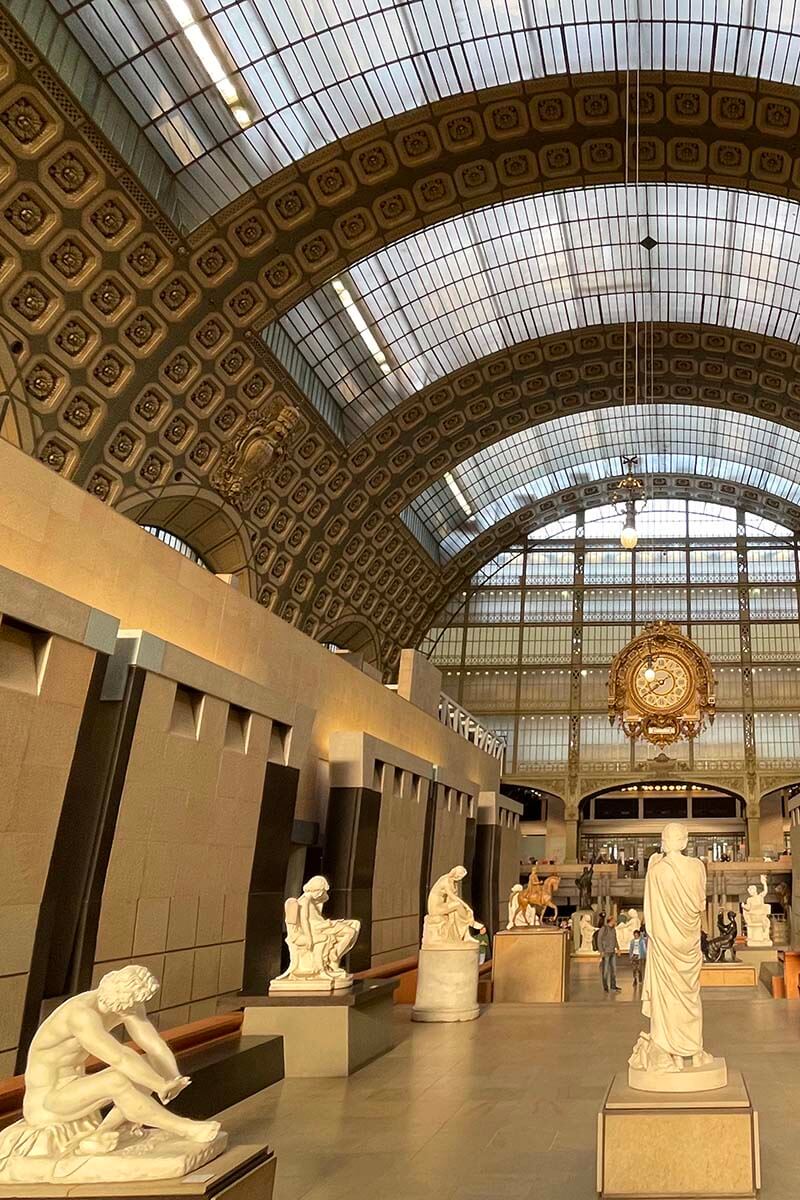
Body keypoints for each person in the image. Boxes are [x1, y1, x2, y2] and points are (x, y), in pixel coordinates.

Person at [1, 965, 219, 1166]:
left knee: (146, 1065)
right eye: (132, 1004)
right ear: (121, 998)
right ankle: (185, 1128)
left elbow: (153, 1044)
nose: (134, 1010)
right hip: (48, 1102)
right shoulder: (81, 1015)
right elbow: (119, 1057)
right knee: (117, 1079)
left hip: (74, 1089)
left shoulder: (125, 1006)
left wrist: (171, 1077)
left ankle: (102, 1133)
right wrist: (159, 1084)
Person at [597, 916, 620, 992]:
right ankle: (605, 987)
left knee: (614, 970)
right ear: (611, 921)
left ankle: (613, 986)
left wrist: (618, 948)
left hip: (612, 951)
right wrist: (601, 951)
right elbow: (599, 939)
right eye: (614, 921)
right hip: (606, 951)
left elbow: (615, 939)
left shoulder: (613, 929)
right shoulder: (604, 928)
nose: (615, 923)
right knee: (606, 970)